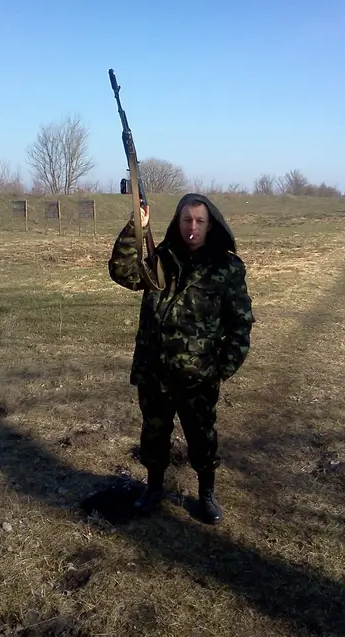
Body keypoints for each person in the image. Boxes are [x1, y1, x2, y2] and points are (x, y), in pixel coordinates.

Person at [108, 193, 254, 524]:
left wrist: (222, 368)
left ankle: (206, 493)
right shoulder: (161, 259)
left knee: (202, 436)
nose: (192, 227)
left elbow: (240, 322)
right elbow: (122, 272)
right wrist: (135, 227)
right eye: (187, 220)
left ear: (210, 225)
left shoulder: (226, 268)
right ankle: (154, 487)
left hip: (198, 376)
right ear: (178, 222)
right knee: (154, 433)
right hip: (155, 370)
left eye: (200, 221)